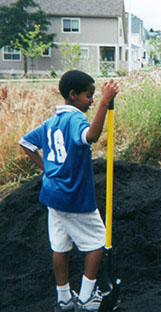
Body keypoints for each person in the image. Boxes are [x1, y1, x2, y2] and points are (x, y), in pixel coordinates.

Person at [19, 70, 118, 311]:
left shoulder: (51, 122)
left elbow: (26, 143)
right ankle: (86, 298)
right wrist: (105, 103)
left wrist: (48, 170)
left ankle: (63, 298)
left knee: (60, 246)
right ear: (73, 95)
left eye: (95, 96)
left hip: (52, 196)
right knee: (97, 242)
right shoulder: (75, 120)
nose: (92, 100)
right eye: (89, 95)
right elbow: (91, 136)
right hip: (75, 197)